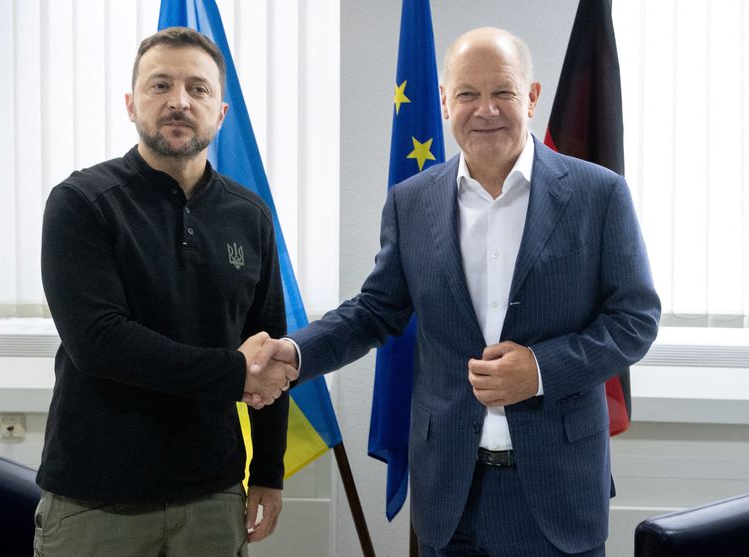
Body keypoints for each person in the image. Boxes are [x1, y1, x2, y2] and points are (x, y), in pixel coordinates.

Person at [249, 27, 661, 556]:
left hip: (557, 492)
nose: (484, 109)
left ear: (531, 97)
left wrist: (539, 370)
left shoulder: (598, 194)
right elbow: (375, 310)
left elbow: (635, 319)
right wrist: (297, 351)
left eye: (503, 92)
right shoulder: (411, 202)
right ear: (445, 102)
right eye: (467, 93)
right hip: (450, 493)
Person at [36, 27, 296, 557]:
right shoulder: (82, 203)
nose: (178, 101)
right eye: (160, 86)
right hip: (97, 501)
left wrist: (268, 470)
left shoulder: (251, 216)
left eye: (197, 89)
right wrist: (232, 372)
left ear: (220, 113)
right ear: (132, 105)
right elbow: (101, 342)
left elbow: (270, 350)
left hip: (213, 496)